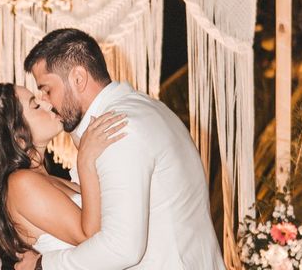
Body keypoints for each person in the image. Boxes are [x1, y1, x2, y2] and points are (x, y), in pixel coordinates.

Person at [16, 28, 225, 270]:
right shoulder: (146, 109)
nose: (46, 101)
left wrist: (43, 265)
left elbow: (121, 248)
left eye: (47, 89)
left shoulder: (118, 131)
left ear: (78, 79)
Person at [0, 82, 127, 269]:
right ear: (18, 137)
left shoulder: (46, 178)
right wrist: (85, 162)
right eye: (35, 105)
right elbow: (90, 237)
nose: (47, 103)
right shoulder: (20, 183)